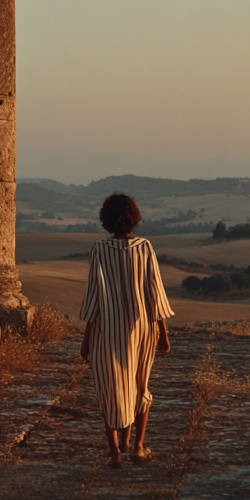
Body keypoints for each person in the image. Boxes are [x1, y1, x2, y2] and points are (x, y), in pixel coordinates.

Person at [79, 192, 174, 468]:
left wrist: (86, 339)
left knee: (110, 387)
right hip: (142, 327)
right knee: (139, 383)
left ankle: (114, 454)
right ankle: (138, 448)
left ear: (106, 221)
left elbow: (93, 297)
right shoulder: (145, 247)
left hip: (106, 330)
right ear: (133, 218)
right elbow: (155, 293)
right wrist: (164, 334)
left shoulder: (98, 249)